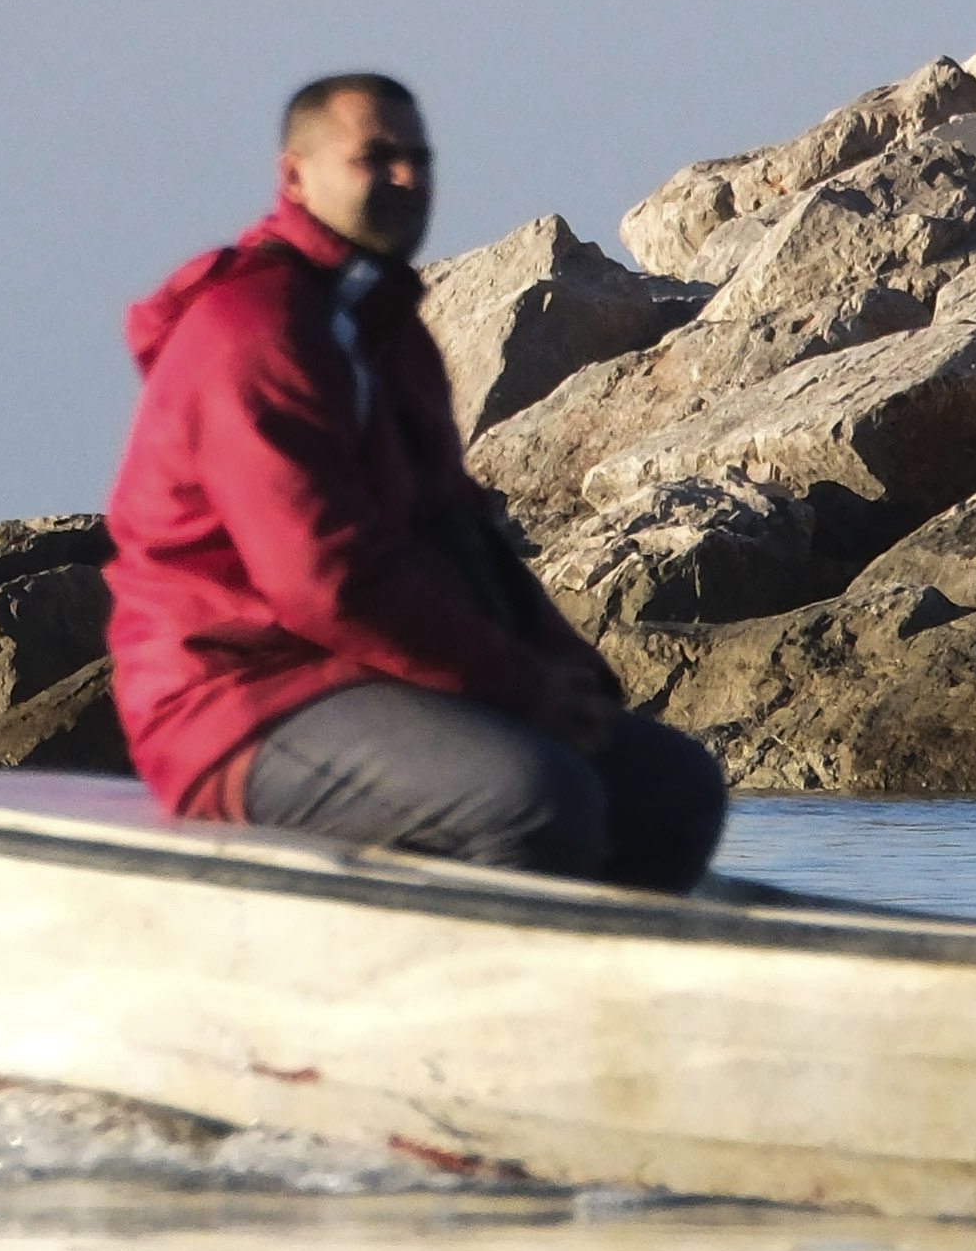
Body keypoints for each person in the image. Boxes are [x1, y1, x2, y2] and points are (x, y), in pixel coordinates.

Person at [104, 72, 732, 893]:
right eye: (376, 157)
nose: (407, 178)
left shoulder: (381, 329)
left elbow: (456, 530)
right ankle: (456, 1004)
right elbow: (320, 580)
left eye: (419, 158)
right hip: (232, 700)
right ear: (294, 176)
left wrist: (563, 670)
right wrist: (516, 686)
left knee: (670, 789)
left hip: (361, 679)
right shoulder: (252, 331)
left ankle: (620, 995)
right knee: (535, 801)